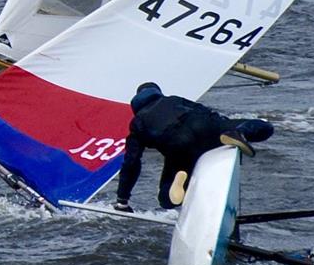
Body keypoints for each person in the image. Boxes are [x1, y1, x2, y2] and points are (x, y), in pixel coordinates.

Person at [114, 82, 274, 212]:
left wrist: (122, 199)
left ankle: (175, 186)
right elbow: (204, 110)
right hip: (206, 127)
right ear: (157, 93)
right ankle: (240, 133)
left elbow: (132, 163)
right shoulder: (175, 100)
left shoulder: (138, 123)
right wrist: (222, 125)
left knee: (166, 201)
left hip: (178, 146)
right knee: (264, 127)